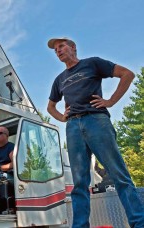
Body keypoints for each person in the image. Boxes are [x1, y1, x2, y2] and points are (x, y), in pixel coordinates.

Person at [47, 37, 144, 228]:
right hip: (73, 128)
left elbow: (127, 74)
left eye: (61, 46)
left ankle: (139, 223)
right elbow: (50, 107)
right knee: (80, 183)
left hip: (96, 121)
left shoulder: (92, 63)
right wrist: (61, 117)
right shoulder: (59, 80)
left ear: (73, 47)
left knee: (119, 175)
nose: (57, 51)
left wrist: (110, 101)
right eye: (55, 49)